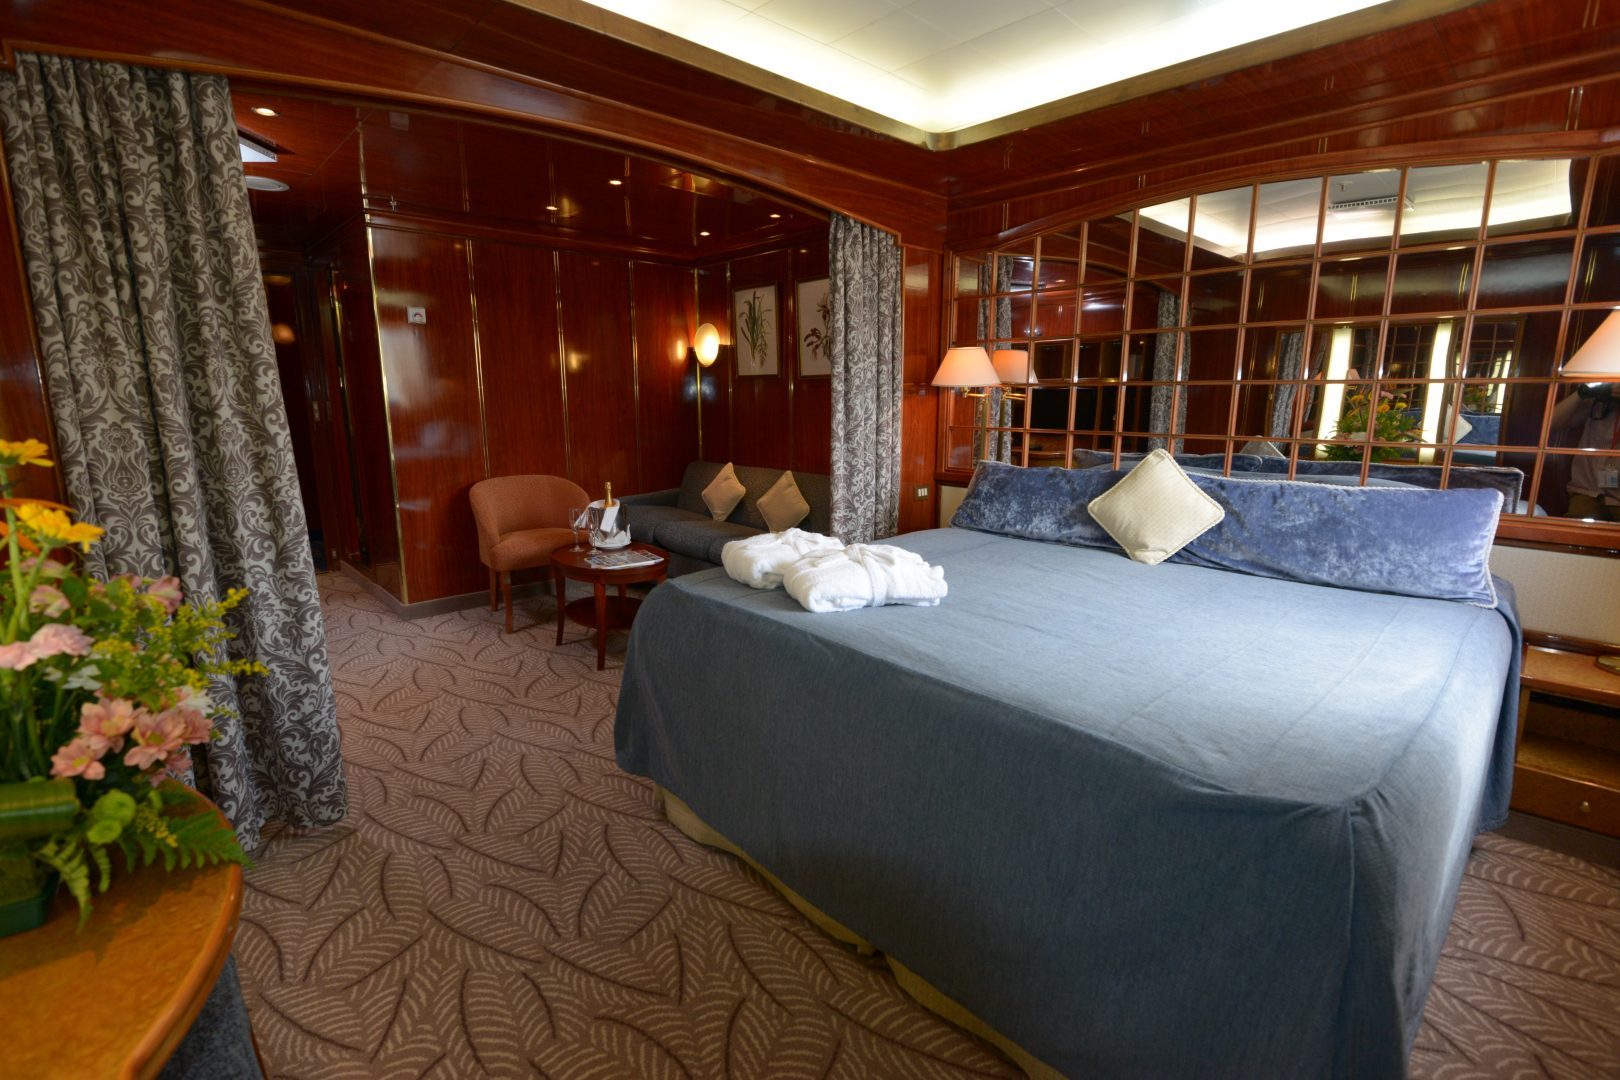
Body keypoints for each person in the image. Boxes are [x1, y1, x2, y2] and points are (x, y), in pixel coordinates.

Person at [1550, 381, 1619, 520]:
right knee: (1577, 532)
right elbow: (1552, 423)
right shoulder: (1597, 403)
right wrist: (1584, 391)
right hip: (1587, 492)